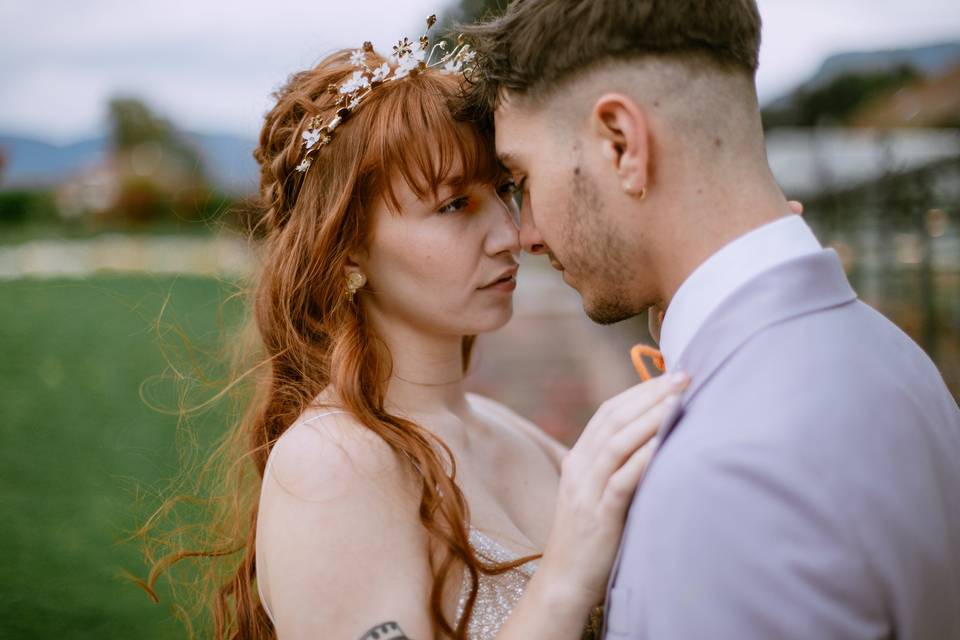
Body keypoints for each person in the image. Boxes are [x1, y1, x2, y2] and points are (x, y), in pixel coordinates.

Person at [138, 21, 689, 640]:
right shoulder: (331, 464)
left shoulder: (513, 433)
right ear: (346, 248)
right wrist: (566, 578)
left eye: (504, 190)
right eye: (454, 205)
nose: (510, 235)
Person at [460, 1, 960, 638]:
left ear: (621, 145)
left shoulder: (726, 479)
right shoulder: (894, 355)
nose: (524, 233)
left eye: (522, 177)